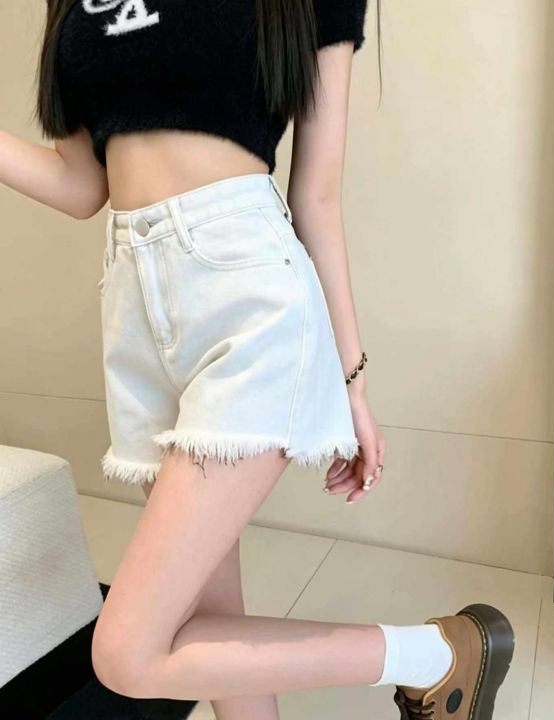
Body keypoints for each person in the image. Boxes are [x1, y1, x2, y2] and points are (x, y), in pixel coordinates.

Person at [1, 0, 515, 717]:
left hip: (248, 294)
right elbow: (83, 184)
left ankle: (436, 656)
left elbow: (316, 196)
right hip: (135, 312)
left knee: (127, 654)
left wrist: (350, 382)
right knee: (212, 625)